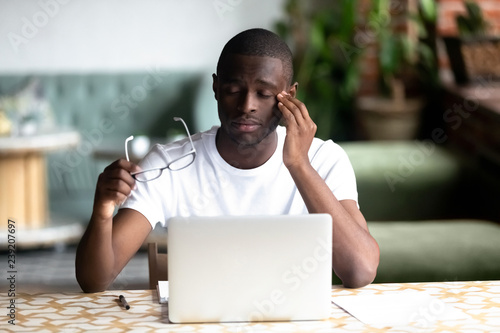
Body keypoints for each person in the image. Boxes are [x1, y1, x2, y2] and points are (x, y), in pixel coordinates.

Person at [75, 28, 379, 293]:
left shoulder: (325, 159)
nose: (247, 105)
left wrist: (299, 165)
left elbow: (361, 269)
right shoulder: (169, 164)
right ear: (216, 88)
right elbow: (95, 280)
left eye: (263, 93)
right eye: (234, 90)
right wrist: (102, 212)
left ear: (289, 95)